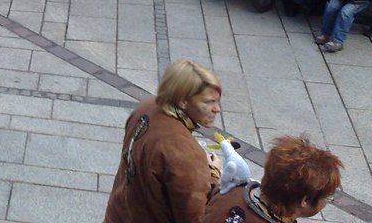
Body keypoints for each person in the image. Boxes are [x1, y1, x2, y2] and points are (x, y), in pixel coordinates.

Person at [104, 59, 222, 223]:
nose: (217, 109)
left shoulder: (146, 107)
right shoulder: (184, 153)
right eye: (208, 102)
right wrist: (213, 174)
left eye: (217, 101)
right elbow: (195, 217)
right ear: (183, 101)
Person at [204, 135, 341, 223]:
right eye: (327, 197)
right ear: (305, 200)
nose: (326, 201)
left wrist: (213, 172)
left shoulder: (230, 191)